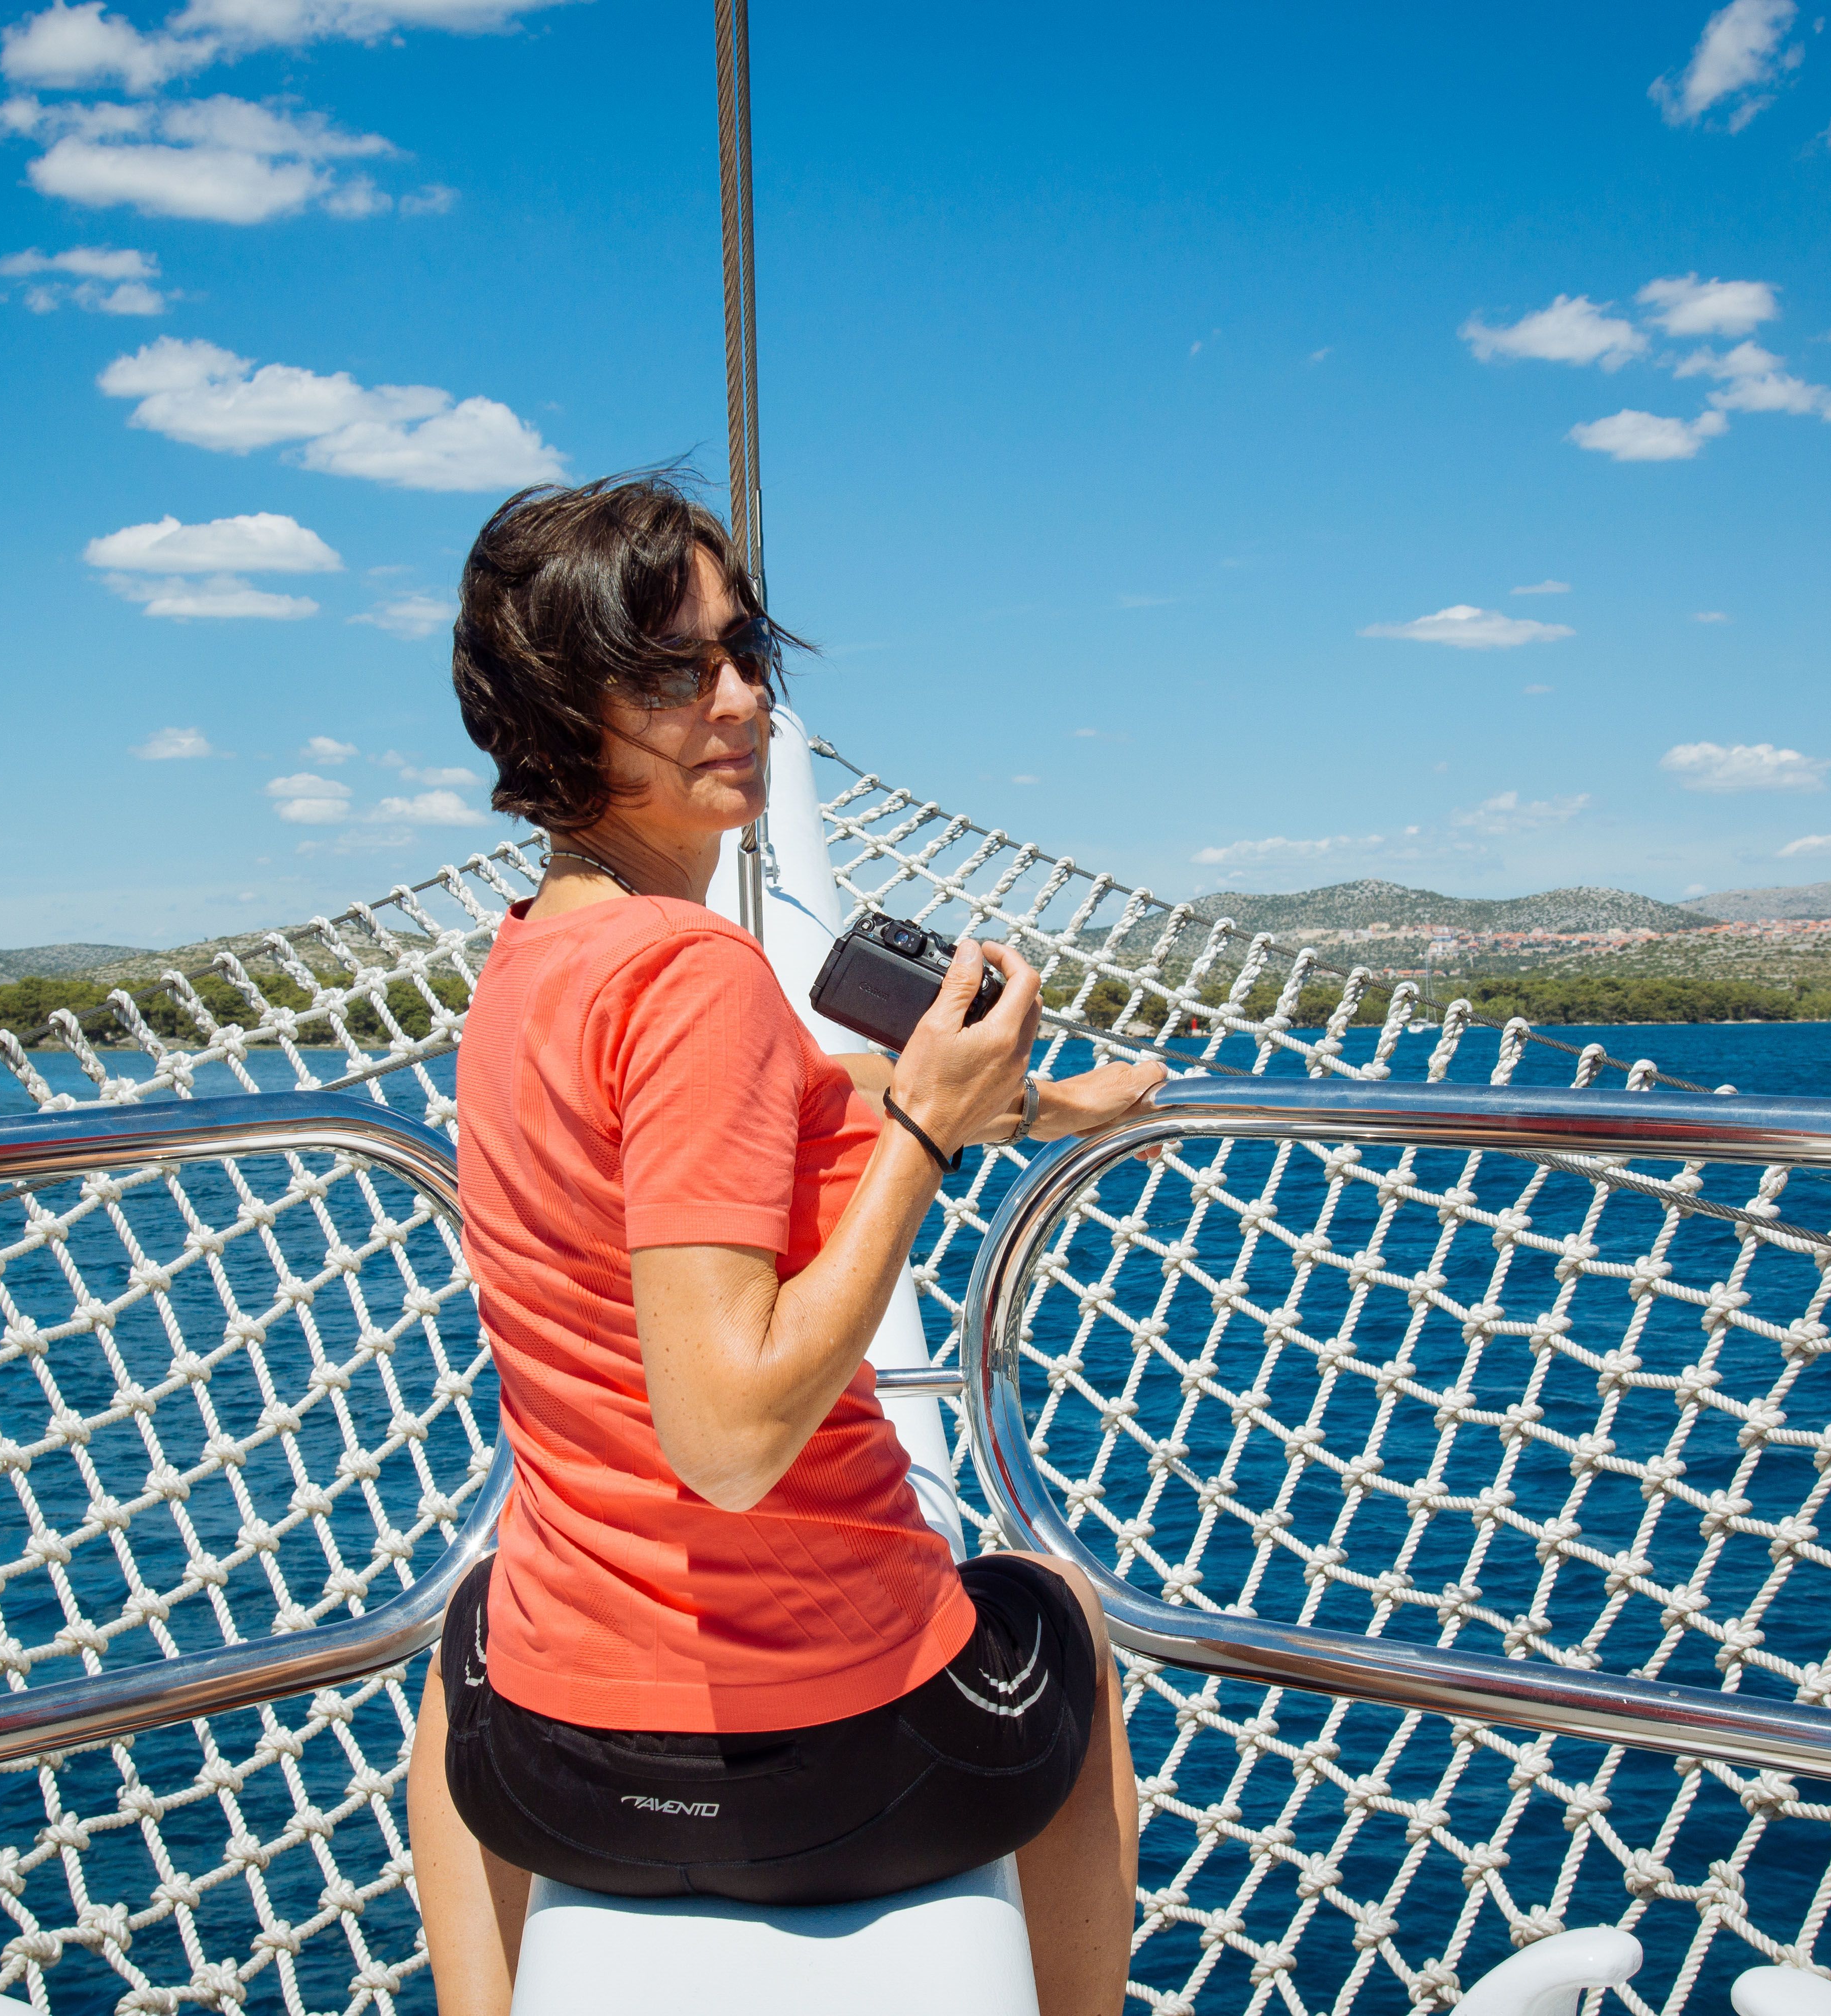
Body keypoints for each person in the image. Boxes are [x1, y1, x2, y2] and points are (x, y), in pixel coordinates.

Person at [406, 471, 1165, 2016]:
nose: (741, 699)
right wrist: (932, 1133)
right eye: (673, 671)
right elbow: (733, 1437)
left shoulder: (531, 962)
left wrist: (1020, 1102)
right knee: (1064, 1612)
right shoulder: (697, 977)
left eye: (744, 652)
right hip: (829, 1772)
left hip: (559, 1772)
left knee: (464, 1640)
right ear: (561, 711)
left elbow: (769, 1105)